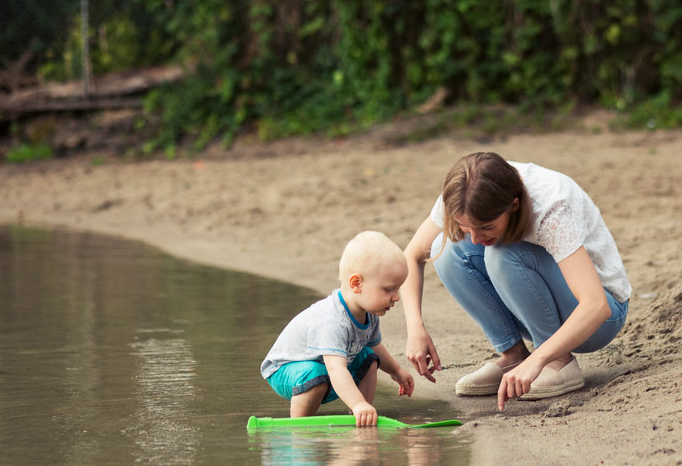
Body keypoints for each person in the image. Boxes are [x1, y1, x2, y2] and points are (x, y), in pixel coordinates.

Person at [401, 152, 631, 409]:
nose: (475, 238)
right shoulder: (463, 193)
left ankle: (558, 362)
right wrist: (415, 329)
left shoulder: (551, 207)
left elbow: (597, 306)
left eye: (486, 226)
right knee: (444, 250)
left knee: (503, 253)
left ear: (514, 205)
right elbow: (411, 256)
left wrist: (539, 359)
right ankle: (514, 355)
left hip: (599, 318)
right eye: (467, 226)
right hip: (543, 304)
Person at [261, 230, 415, 426]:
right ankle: (299, 428)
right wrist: (357, 401)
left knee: (369, 357)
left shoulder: (370, 311)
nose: (396, 297)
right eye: (388, 289)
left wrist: (396, 371)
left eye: (397, 288)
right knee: (316, 373)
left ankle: (361, 416)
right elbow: (335, 369)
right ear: (356, 283)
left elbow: (375, 347)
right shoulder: (332, 320)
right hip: (285, 369)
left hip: (325, 368)